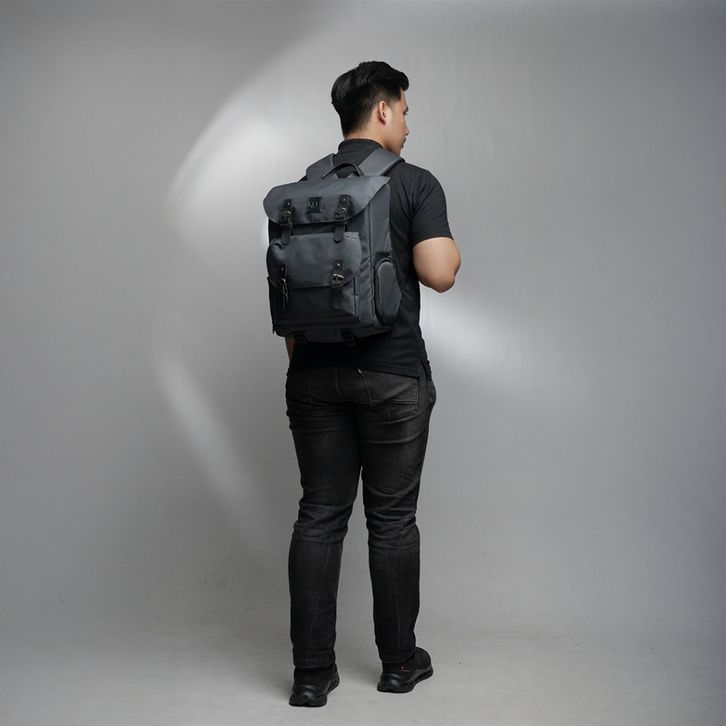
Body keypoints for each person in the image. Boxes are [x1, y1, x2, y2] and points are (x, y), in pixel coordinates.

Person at [279, 60, 461, 707]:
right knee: (392, 521)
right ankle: (399, 665)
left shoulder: (306, 187)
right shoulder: (414, 182)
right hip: (392, 375)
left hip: (312, 375)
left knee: (319, 515)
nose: (407, 124)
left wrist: (305, 366)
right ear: (383, 109)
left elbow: (291, 291)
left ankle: (310, 674)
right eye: (405, 111)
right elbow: (439, 273)